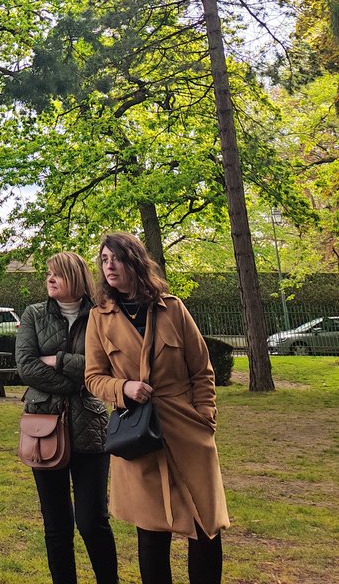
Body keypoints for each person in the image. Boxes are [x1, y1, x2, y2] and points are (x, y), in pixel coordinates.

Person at [84, 232, 229, 584]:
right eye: (104, 260)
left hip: (187, 431)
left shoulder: (173, 308)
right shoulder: (100, 318)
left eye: (115, 258)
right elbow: (93, 378)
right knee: (151, 533)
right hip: (139, 435)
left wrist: (205, 418)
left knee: (206, 527)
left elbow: (201, 369)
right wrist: (124, 388)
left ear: (135, 261)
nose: (109, 266)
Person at [15, 251, 119, 584]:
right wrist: (78, 374)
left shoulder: (100, 315)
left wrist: (57, 360)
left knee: (93, 521)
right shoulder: (33, 314)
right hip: (44, 427)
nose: (49, 279)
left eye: (56, 274)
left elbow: (103, 368)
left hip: (90, 426)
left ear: (74, 277)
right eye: (48, 273)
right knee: (56, 524)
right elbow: (27, 367)